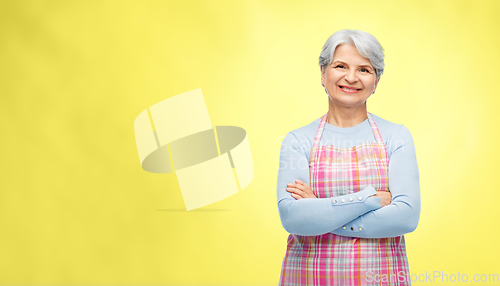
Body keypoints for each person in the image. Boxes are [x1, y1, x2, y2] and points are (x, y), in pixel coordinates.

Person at [276, 29, 421, 286]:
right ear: (323, 73)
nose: (351, 78)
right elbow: (294, 219)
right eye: (340, 66)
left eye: (364, 69)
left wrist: (321, 213)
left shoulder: (396, 136)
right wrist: (368, 200)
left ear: (376, 81)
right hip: (308, 278)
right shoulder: (298, 141)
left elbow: (406, 217)